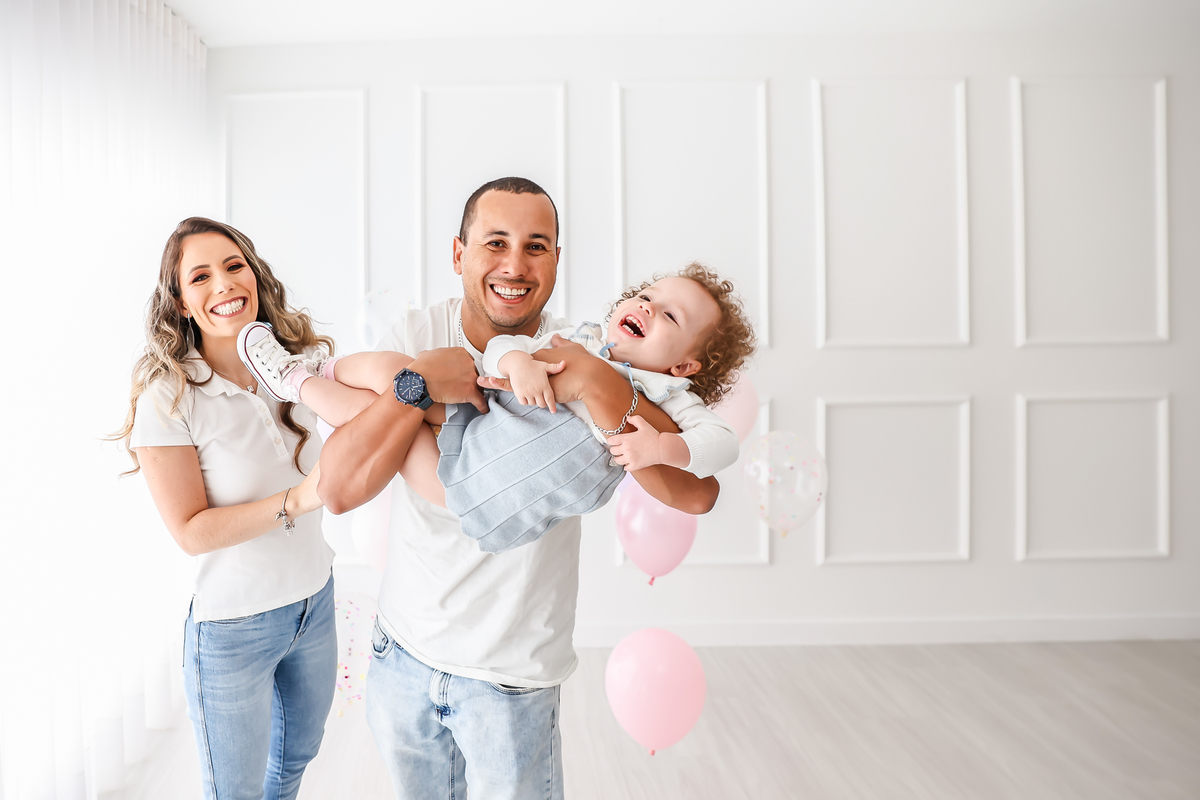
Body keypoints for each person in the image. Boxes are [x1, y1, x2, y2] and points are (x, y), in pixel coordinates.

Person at [313, 176, 723, 800]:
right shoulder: (417, 335)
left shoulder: (580, 351)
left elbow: (697, 493)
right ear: (459, 253)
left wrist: (596, 385)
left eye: (536, 246)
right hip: (403, 649)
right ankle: (302, 378)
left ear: (557, 258)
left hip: (512, 676)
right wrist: (418, 384)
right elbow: (339, 490)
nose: (514, 265)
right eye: (495, 242)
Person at [237, 262, 755, 552]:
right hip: (477, 423)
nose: (646, 307)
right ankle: (305, 376)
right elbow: (506, 348)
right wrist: (519, 361)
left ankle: (299, 381)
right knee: (394, 374)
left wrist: (664, 448)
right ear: (460, 253)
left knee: (386, 413)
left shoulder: (671, 399)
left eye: (669, 316)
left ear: (685, 366)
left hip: (475, 488)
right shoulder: (579, 339)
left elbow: (722, 445)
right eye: (646, 295)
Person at [113, 218, 357, 800]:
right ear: (180, 302)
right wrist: (298, 499)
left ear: (254, 275)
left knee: (294, 763)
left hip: (315, 601)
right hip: (233, 629)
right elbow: (190, 532)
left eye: (233, 266)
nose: (223, 283)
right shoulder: (169, 397)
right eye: (200, 277)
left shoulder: (294, 365)